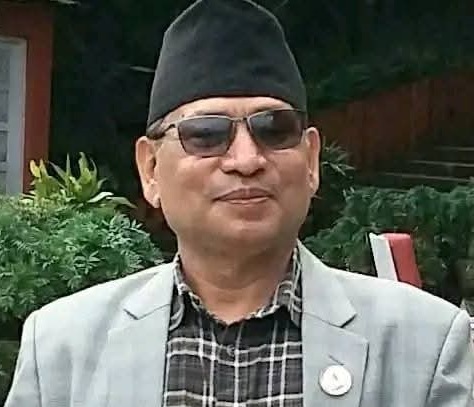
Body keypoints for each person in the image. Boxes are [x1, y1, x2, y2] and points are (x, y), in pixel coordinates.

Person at [5, 0, 474, 406]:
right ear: (150, 170)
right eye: (206, 134)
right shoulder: (62, 349)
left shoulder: (425, 346)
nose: (247, 160)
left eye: (275, 129)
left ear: (311, 160)